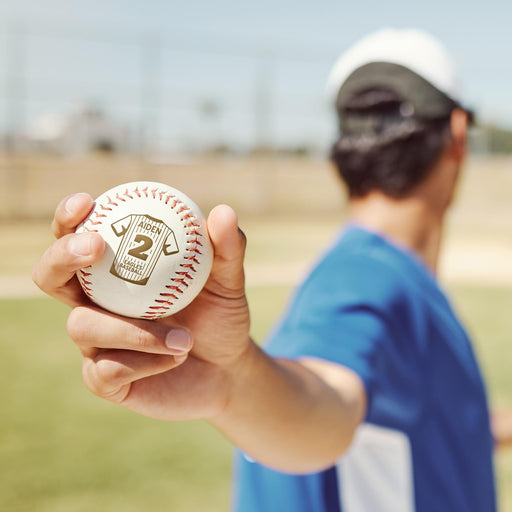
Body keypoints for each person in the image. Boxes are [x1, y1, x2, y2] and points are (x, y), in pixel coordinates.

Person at [33, 28, 510, 511]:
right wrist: (230, 386)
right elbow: (322, 410)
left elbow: (412, 417)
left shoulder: (381, 273)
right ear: (456, 134)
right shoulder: (364, 281)